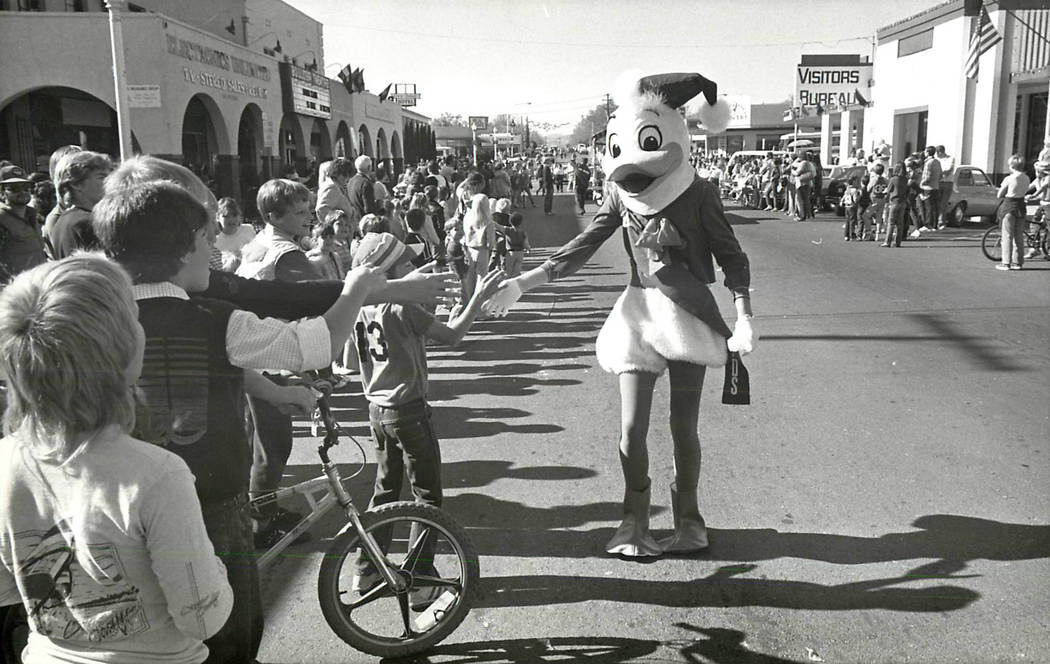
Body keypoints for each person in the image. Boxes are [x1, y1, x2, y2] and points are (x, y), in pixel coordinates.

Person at [93, 179, 385, 664]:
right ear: (186, 247)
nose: (213, 248)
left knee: (143, 623)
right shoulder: (217, 319)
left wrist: (277, 392)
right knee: (231, 630)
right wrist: (355, 290)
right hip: (211, 500)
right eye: (206, 239)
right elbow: (316, 344)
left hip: (114, 504)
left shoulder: (94, 321)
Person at [486, 71, 753, 559]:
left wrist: (743, 311)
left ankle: (689, 520)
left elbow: (731, 255)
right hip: (638, 318)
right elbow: (583, 244)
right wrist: (525, 282)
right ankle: (634, 521)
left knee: (682, 426)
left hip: (687, 317)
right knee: (630, 428)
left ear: (673, 132)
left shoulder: (699, 193)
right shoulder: (618, 195)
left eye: (647, 139)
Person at [0, 254, 234, 663]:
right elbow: (203, 618)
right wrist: (217, 569)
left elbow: (8, 587)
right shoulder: (158, 475)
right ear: (124, 352)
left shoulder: (6, 460)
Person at [349, 232, 504, 599]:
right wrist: (477, 299)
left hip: (377, 408)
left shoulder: (360, 306)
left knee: (384, 491)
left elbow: (350, 359)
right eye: (407, 263)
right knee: (427, 496)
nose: (415, 269)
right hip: (408, 409)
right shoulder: (402, 307)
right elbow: (452, 337)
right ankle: (419, 579)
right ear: (389, 273)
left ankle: (365, 568)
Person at [48, 151, 113, 259]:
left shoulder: (63, 220)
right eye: (101, 177)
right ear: (76, 184)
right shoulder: (85, 222)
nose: (109, 182)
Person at [0, 164, 47, 280]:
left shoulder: (33, 215)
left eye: (26, 187)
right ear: (1, 193)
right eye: (14, 188)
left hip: (38, 285)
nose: (22, 191)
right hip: (13, 291)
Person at [460, 172, 496, 302]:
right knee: (482, 278)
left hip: (468, 243)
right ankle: (479, 309)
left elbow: (460, 187)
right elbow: (488, 223)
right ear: (481, 184)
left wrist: (467, 181)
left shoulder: (465, 197)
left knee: (470, 278)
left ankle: (468, 306)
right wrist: (492, 244)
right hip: (481, 243)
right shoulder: (482, 198)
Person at [995, 154, 1031, 271]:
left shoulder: (1009, 178)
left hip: (1009, 205)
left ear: (1011, 165)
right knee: (1018, 235)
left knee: (1007, 235)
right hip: (1021, 206)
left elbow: (1000, 194)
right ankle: (1018, 262)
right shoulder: (1026, 178)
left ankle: (1006, 263)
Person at [316, 157, 357, 239]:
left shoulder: (337, 187)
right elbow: (321, 210)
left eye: (348, 175)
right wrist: (334, 228)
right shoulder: (331, 187)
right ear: (336, 173)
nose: (347, 178)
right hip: (338, 236)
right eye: (344, 175)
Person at [347, 155, 380, 229]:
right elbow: (369, 208)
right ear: (369, 167)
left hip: (354, 221)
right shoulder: (366, 183)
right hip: (365, 223)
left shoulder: (350, 181)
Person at [883, 162, 909, 247]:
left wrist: (886, 199)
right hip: (903, 201)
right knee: (900, 223)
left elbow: (889, 190)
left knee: (891, 222)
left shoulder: (893, 179)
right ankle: (897, 242)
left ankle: (887, 241)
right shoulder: (905, 179)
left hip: (894, 201)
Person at [918, 146, 943, 232]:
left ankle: (928, 224)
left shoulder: (928, 163)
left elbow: (927, 175)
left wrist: (921, 183)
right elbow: (941, 175)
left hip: (928, 187)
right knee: (935, 206)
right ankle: (934, 225)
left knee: (928, 207)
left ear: (928, 153)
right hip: (936, 186)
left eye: (925, 152)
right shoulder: (937, 162)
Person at [501, 211, 530, 277]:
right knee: (516, 272)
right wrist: (528, 249)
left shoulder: (508, 230)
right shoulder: (523, 232)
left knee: (508, 272)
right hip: (520, 253)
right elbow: (525, 243)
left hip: (510, 253)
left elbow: (498, 227)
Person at [866, 163, 889, 244]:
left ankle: (868, 232)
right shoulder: (885, 180)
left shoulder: (873, 179)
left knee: (867, 215)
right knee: (879, 217)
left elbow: (868, 188)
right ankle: (877, 235)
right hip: (882, 199)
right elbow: (888, 188)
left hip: (874, 199)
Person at [935, 145, 955, 224]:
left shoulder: (951, 158)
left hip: (947, 182)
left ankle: (941, 221)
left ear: (940, 152)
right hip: (938, 182)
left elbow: (949, 169)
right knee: (937, 202)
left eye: (937, 153)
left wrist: (940, 173)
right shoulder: (936, 160)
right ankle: (935, 221)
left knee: (944, 202)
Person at [840, 176, 862, 241]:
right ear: (853, 182)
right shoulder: (854, 190)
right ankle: (852, 234)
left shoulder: (847, 190)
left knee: (847, 220)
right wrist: (859, 196)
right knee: (852, 221)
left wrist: (841, 202)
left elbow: (844, 197)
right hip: (852, 206)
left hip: (847, 206)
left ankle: (846, 235)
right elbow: (855, 199)